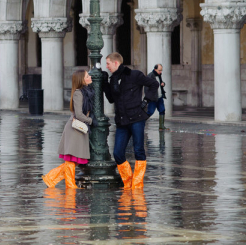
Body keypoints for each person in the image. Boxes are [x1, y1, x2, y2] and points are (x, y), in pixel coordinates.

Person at [104, 53, 159, 190]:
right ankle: (128, 182)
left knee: (139, 150)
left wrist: (146, 101)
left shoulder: (135, 75)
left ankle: (137, 185)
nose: (107, 66)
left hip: (137, 119)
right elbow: (111, 99)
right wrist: (105, 84)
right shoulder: (113, 79)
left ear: (116, 63)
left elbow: (154, 84)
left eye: (108, 63)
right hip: (122, 121)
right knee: (117, 153)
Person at [41, 70, 94, 189]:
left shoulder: (87, 92)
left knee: (74, 160)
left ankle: (50, 178)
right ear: (82, 80)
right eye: (87, 76)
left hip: (80, 129)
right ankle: (70, 185)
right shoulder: (78, 93)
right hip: (75, 129)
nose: (90, 77)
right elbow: (79, 114)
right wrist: (91, 121)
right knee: (71, 160)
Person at [147, 64, 167, 131]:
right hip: (153, 98)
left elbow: (160, 83)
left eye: (161, 70)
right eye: (159, 70)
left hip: (159, 97)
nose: (160, 72)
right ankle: (139, 124)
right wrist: (149, 97)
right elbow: (146, 88)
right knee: (150, 112)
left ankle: (161, 126)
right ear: (155, 69)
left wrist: (163, 84)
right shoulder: (150, 76)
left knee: (162, 110)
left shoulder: (159, 75)